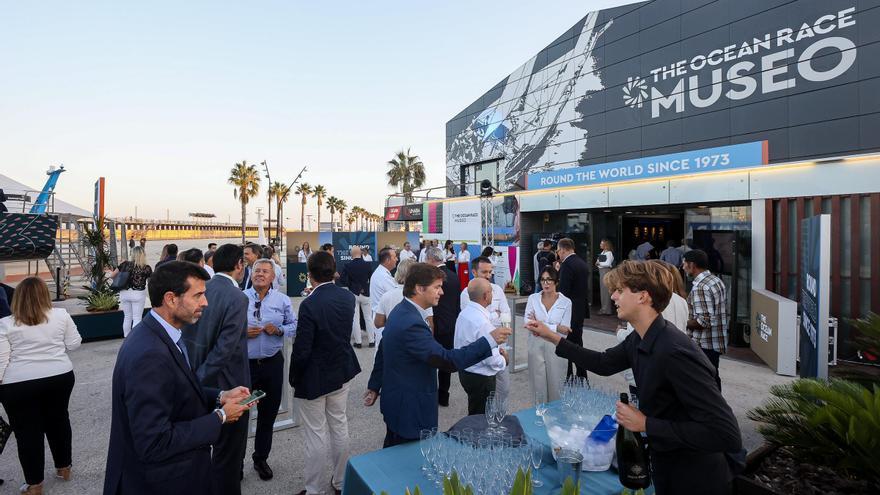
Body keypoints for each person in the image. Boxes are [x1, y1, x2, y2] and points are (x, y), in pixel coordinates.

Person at [526, 260, 742, 494]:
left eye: (619, 290)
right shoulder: (640, 337)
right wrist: (553, 337)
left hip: (697, 480)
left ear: (643, 296)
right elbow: (603, 363)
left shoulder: (675, 352)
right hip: (667, 469)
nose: (613, 297)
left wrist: (646, 423)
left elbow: (725, 434)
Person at [104, 262, 251, 495]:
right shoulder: (149, 355)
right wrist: (221, 417)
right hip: (158, 483)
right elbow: (154, 443)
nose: (205, 303)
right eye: (198, 295)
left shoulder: (161, 334)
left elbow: (178, 390)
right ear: (171, 299)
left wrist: (221, 396)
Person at [364, 263, 511, 447]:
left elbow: (384, 351)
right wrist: (489, 340)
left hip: (399, 404)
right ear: (419, 288)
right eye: (437, 287)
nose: (441, 292)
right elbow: (447, 361)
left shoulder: (402, 311)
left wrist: (374, 385)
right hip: (410, 409)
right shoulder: (411, 322)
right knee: (408, 463)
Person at [0, 278, 81, 495]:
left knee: (27, 432)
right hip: (59, 376)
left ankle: (35, 484)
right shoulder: (61, 315)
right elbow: (74, 343)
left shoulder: (6, 323)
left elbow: (1, 360)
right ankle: (64, 468)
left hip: (18, 383)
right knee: (59, 421)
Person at [290, 251, 360, 495]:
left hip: (315, 375)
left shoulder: (310, 304)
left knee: (316, 434)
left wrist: (294, 376)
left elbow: (302, 348)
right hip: (341, 369)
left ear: (310, 276)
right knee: (339, 425)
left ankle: (313, 489)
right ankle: (341, 482)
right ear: (334, 271)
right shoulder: (347, 297)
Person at [183, 244, 251, 495]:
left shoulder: (201, 290)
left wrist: (192, 381)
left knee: (201, 448)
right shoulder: (237, 298)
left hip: (197, 377)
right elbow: (225, 349)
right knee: (228, 456)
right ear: (239, 265)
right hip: (227, 385)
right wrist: (200, 381)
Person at [244, 259, 297, 481]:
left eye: (265, 271)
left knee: (268, 414)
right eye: (257, 270)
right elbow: (225, 327)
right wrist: (242, 332)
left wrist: (279, 330)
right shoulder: (240, 298)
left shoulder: (282, 300)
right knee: (239, 414)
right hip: (244, 366)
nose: (260, 274)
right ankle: (235, 462)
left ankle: (260, 458)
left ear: (273, 277)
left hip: (272, 364)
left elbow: (294, 325)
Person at [458, 256, 512, 405]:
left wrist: (496, 317)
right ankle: (489, 419)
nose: (489, 275)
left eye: (490, 272)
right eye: (484, 272)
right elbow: (479, 321)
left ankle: (497, 416)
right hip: (483, 354)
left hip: (500, 346)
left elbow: (506, 314)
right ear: (474, 272)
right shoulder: (467, 293)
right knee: (483, 397)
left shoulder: (498, 290)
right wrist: (496, 315)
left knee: (504, 387)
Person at [525, 266, 571, 403]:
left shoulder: (566, 302)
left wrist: (539, 324)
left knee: (556, 383)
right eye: (543, 280)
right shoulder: (533, 298)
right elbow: (527, 322)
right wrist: (556, 327)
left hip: (556, 345)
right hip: (535, 344)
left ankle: (555, 418)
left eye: (549, 279)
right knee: (537, 384)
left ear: (556, 282)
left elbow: (566, 331)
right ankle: (539, 416)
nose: (545, 283)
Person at [683, 249, 729, 387]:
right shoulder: (715, 280)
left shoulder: (701, 287)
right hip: (714, 343)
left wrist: (681, 322)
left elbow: (704, 321)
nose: (683, 267)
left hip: (703, 345)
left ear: (692, 265)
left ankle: (713, 408)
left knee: (704, 384)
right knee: (712, 379)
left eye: (684, 263)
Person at [425, 247, 461, 407]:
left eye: (426, 260)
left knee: (431, 361)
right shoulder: (454, 276)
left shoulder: (431, 278)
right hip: (451, 324)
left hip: (435, 324)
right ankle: (443, 396)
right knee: (446, 362)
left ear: (432, 259)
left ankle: (431, 395)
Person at [555, 237, 590, 378]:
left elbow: (563, 291)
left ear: (563, 250)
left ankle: (568, 374)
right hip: (580, 309)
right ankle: (581, 374)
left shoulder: (567, 264)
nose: (558, 254)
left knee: (567, 343)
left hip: (569, 311)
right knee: (578, 342)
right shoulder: (582, 263)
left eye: (558, 251)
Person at [373, 259, 424, 347]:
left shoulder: (387, 296)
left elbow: (378, 323)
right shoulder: (423, 295)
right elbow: (430, 323)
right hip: (416, 341)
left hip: (392, 341)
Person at [109, 246, 152, 337]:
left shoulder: (124, 264)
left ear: (132, 254)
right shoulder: (146, 268)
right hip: (138, 294)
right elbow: (151, 281)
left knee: (127, 317)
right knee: (137, 318)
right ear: (143, 255)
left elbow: (112, 276)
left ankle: (126, 338)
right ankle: (135, 340)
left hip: (124, 293)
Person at [339, 246, 375, 348]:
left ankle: (358, 342)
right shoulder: (367, 265)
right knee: (368, 318)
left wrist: (352, 285)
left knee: (355, 319)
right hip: (366, 293)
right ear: (361, 253)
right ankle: (371, 341)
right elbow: (371, 278)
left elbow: (342, 280)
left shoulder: (347, 265)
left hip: (353, 293)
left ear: (351, 254)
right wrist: (364, 287)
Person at [369, 247, 398, 336]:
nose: (397, 259)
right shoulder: (383, 276)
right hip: (382, 320)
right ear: (387, 260)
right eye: (395, 257)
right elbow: (397, 294)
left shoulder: (382, 273)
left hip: (382, 317)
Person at [595, 239, 615, 315]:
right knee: (603, 290)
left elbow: (607, 264)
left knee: (606, 291)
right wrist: (599, 263)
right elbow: (599, 262)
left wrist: (598, 263)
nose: (600, 244)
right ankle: (604, 308)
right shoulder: (603, 252)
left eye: (601, 243)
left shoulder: (609, 253)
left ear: (606, 245)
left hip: (606, 271)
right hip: (602, 271)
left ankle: (606, 310)